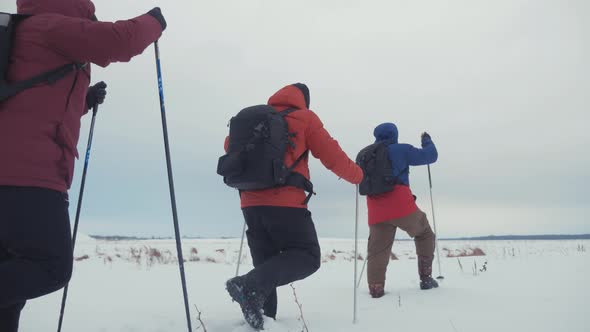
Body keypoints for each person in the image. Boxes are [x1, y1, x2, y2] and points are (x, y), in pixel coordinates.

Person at [0, 1, 167, 330]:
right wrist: (154, 21)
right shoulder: (51, 26)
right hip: (27, 178)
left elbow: (27, 110)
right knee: (50, 267)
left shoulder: (22, 35)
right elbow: (120, 40)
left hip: (12, 174)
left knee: (10, 278)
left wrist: (83, 101)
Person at [223, 83, 363, 330]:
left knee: (266, 263)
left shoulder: (252, 119)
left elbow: (230, 147)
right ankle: (249, 286)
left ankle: (263, 319)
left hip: (250, 205)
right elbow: (332, 155)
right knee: (307, 257)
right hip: (286, 203)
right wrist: (358, 176)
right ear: (304, 100)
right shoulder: (305, 118)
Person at [365, 122, 439, 298]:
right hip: (401, 205)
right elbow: (430, 156)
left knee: (378, 250)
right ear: (395, 135)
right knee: (425, 234)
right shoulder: (400, 150)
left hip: (375, 210)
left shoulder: (366, 154)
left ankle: (376, 289)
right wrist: (426, 141)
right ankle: (426, 278)